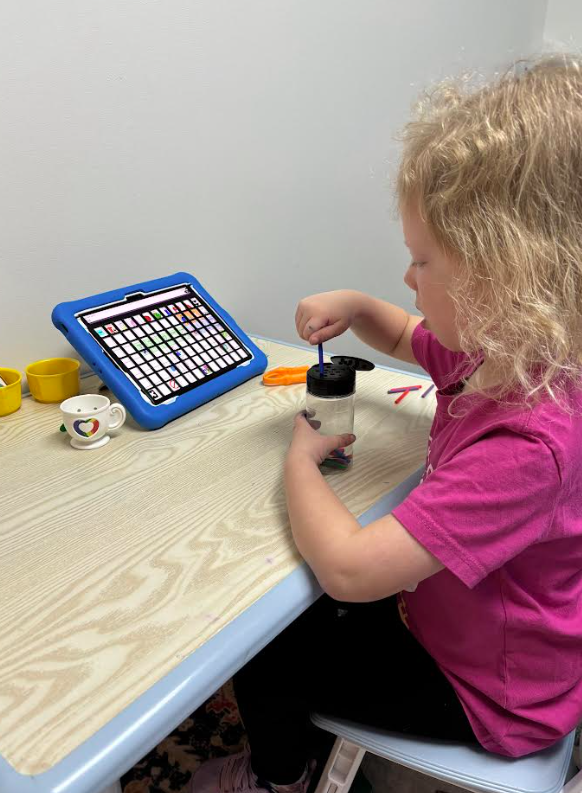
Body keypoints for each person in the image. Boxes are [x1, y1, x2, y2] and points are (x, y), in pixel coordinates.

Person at [190, 54, 582, 793]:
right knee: (302, 612)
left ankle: (278, 779)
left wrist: (301, 462)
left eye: (422, 261)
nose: (408, 278)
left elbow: (351, 569)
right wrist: (363, 308)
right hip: (459, 622)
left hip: (493, 694)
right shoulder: (506, 356)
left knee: (269, 649)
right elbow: (410, 337)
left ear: (510, 279)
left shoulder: (530, 444)